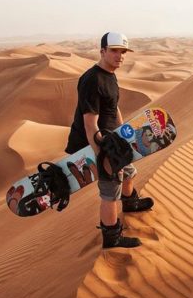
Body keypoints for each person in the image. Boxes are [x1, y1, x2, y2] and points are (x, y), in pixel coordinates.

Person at [65, 32, 154, 249]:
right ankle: (112, 236)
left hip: (113, 140)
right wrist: (102, 158)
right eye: (114, 50)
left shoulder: (110, 75)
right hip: (96, 144)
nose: (120, 56)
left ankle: (130, 203)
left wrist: (125, 132)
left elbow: (113, 107)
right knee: (110, 188)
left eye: (123, 51)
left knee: (130, 172)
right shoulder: (92, 80)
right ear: (102, 51)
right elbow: (90, 124)